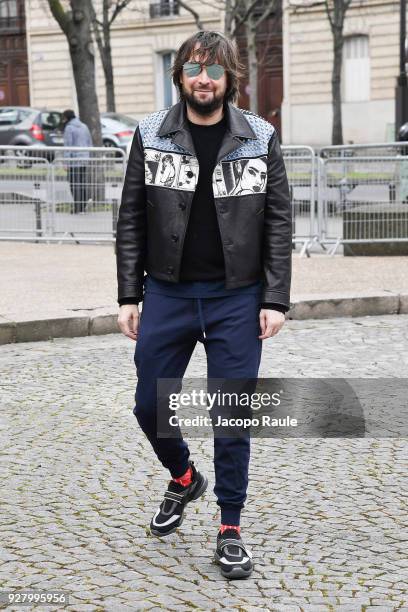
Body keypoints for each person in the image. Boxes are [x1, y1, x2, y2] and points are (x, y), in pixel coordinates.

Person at [116, 30, 292, 580]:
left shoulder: (260, 137)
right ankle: (185, 477)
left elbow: (280, 223)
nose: (204, 79)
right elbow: (131, 217)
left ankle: (230, 526)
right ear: (180, 76)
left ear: (230, 79)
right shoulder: (151, 133)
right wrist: (128, 293)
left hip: (236, 299)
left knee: (231, 414)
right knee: (149, 405)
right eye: (194, 69)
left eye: (214, 71)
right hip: (166, 293)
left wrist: (275, 298)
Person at [61, 109, 92, 214]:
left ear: (66, 118)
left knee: (74, 184)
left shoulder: (69, 128)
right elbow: (89, 143)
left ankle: (77, 208)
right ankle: (83, 206)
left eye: (63, 118)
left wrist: (66, 162)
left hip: (74, 161)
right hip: (84, 159)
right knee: (82, 183)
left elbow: (68, 146)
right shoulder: (84, 126)